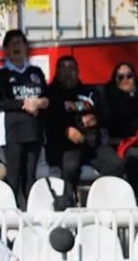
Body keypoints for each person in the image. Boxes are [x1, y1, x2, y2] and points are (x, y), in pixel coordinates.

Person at [46, 56, 124, 203]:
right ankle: (67, 204)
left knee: (117, 165)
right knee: (70, 167)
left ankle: (105, 202)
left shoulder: (91, 92)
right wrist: (66, 130)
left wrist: (96, 119)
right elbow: (48, 120)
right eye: (64, 68)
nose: (68, 73)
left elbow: (107, 115)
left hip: (92, 144)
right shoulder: (51, 94)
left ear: (78, 71)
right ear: (57, 72)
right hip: (67, 145)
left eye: (72, 68)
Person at [0, 29, 48, 207]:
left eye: (20, 43)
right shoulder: (0, 74)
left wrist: (40, 103)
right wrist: (24, 103)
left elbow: (47, 96)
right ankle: (11, 212)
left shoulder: (35, 72)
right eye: (12, 43)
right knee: (13, 175)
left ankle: (30, 212)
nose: (17, 47)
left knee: (30, 175)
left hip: (34, 130)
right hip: (12, 131)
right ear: (6, 49)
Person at [101, 61, 138, 199]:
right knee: (133, 156)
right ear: (115, 80)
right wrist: (127, 99)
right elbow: (112, 122)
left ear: (134, 78)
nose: (125, 80)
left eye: (129, 76)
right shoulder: (108, 99)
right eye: (120, 77)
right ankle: (132, 198)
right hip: (117, 143)